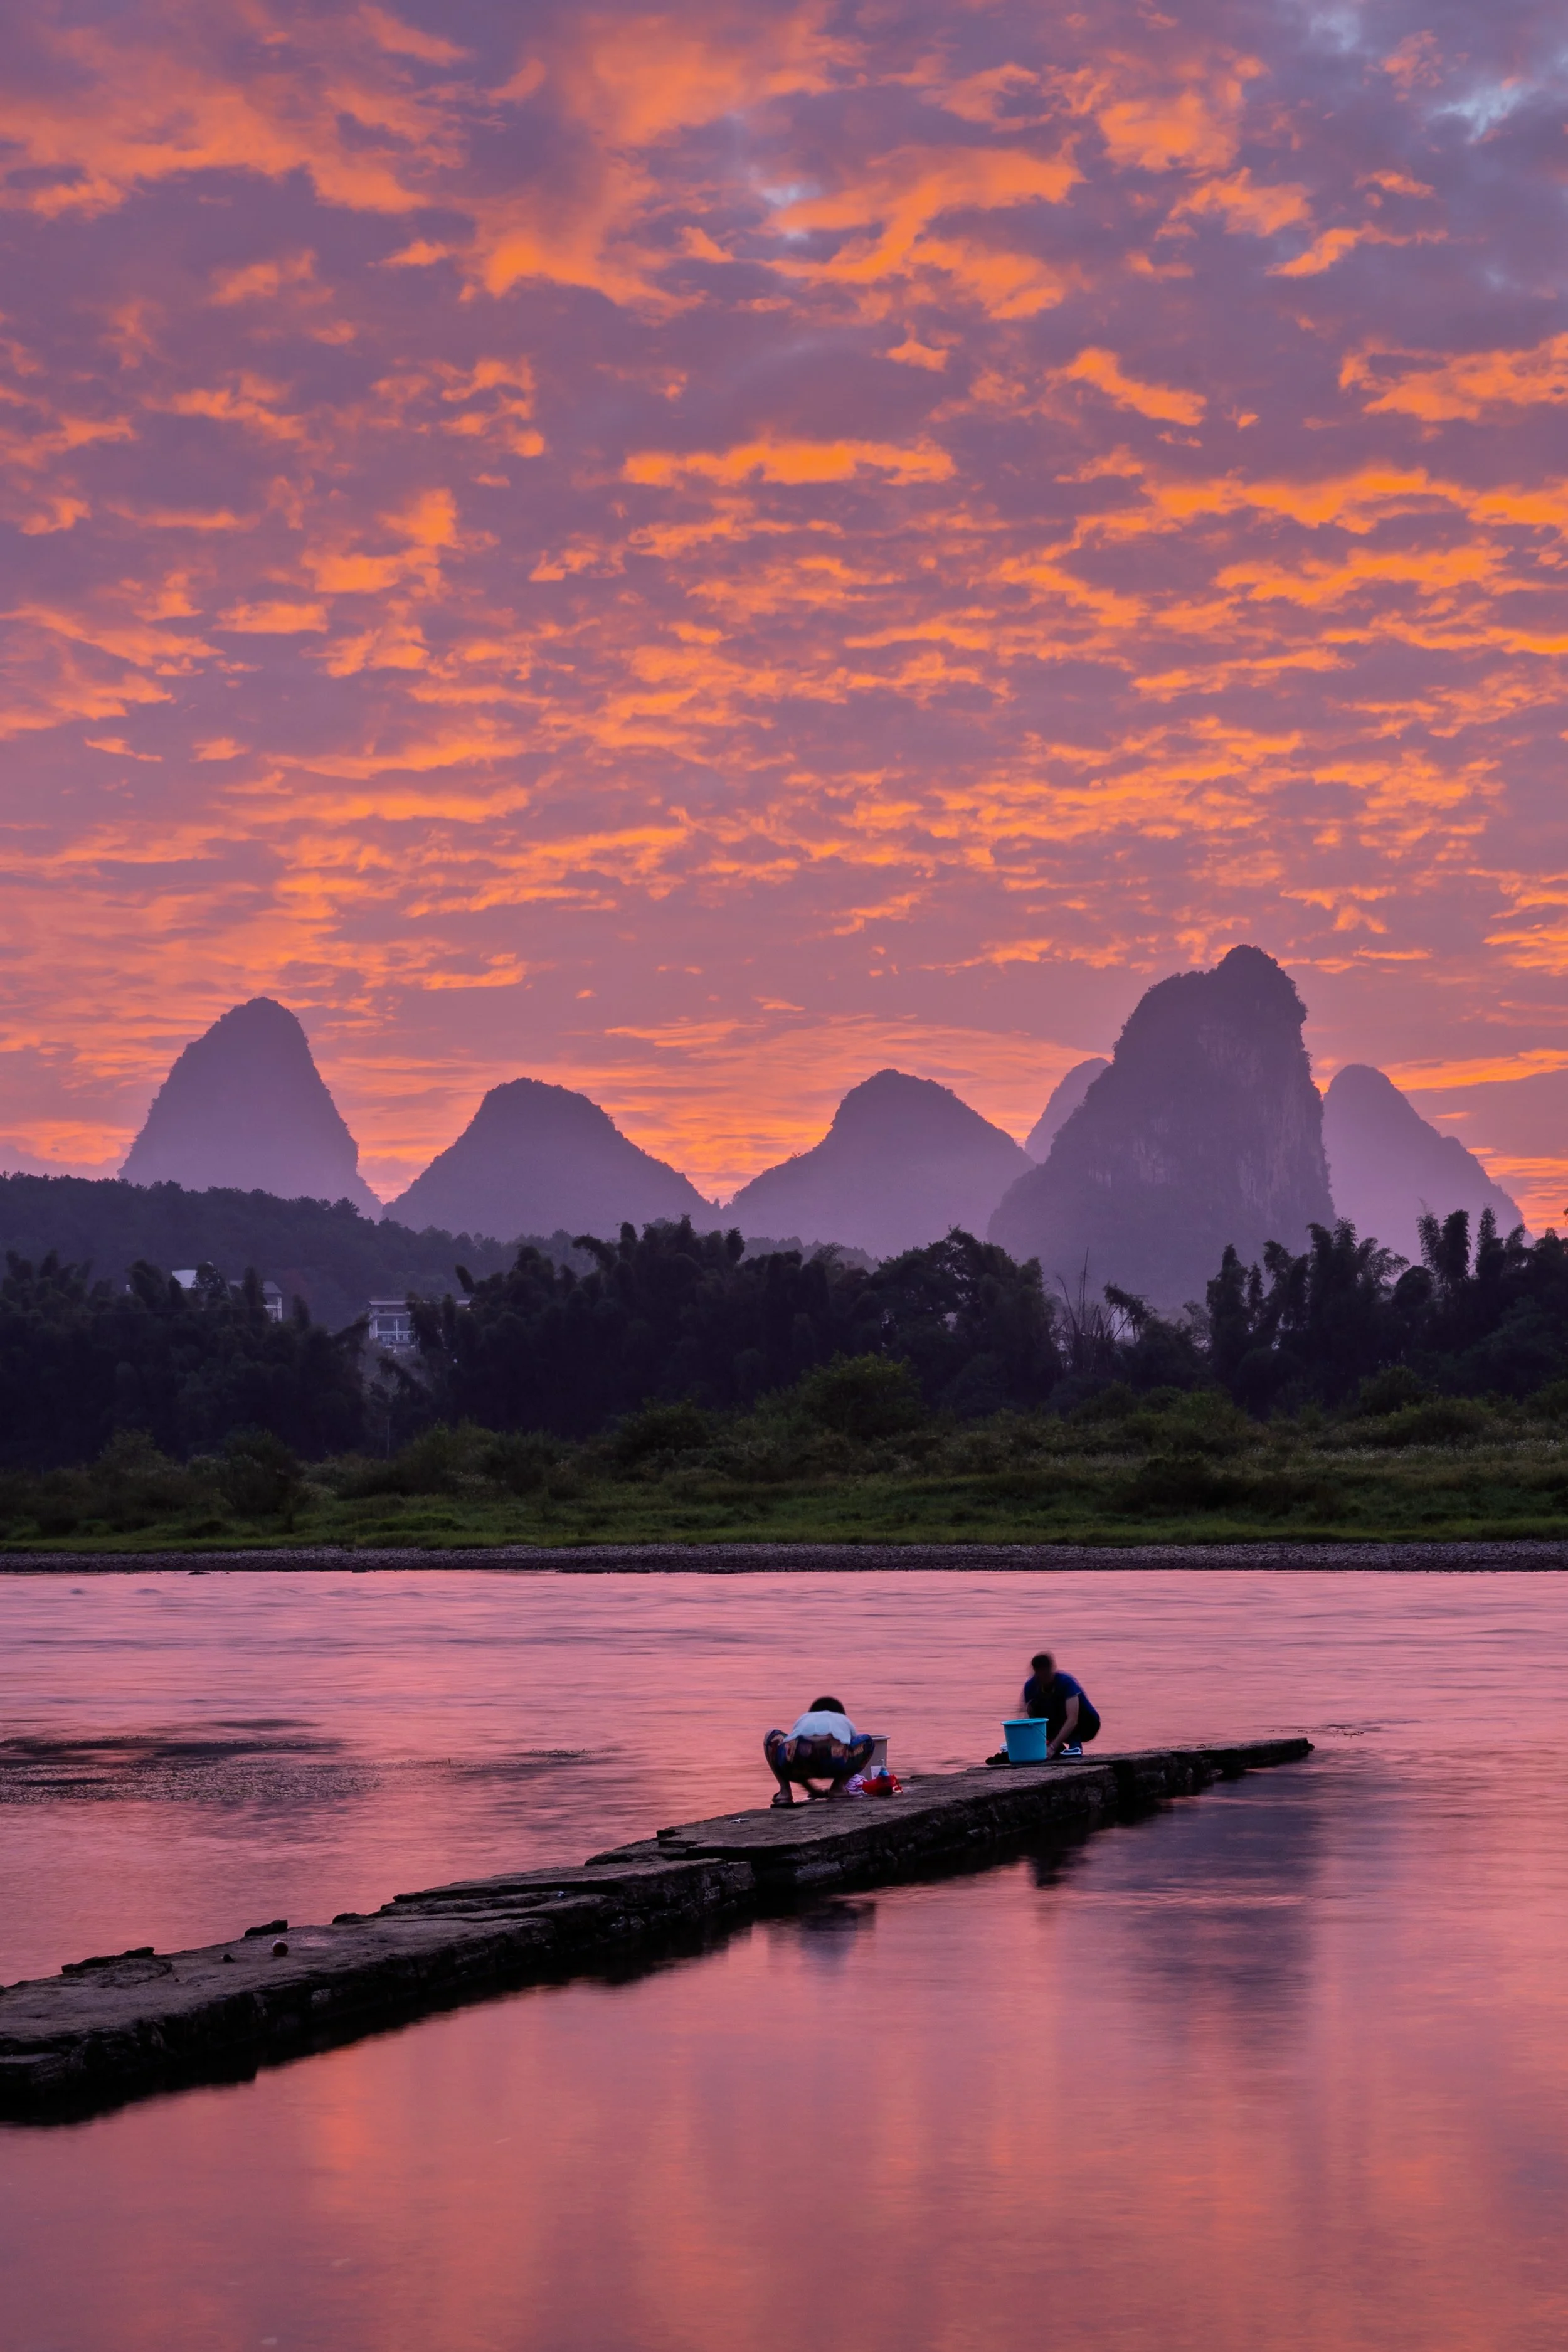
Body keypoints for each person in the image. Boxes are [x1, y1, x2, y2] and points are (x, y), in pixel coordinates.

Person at [764, 1697, 874, 1807]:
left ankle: (785, 1793)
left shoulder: (804, 1718)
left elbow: (793, 1747)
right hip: (833, 1762)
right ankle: (838, 1788)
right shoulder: (843, 1719)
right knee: (868, 1741)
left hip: (798, 1763)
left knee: (771, 1735)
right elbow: (851, 1743)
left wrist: (813, 1790)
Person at [1021, 1652, 1101, 1757]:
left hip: (1087, 1724)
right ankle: (1057, 1747)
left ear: (1051, 1670)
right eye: (1039, 1675)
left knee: (1063, 1708)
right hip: (1056, 1722)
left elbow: (1073, 1719)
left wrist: (1053, 1747)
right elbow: (1028, 1717)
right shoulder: (1031, 1686)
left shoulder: (1066, 1682)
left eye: (1046, 1674)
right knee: (1037, 1711)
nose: (1043, 1679)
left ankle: (1075, 1746)